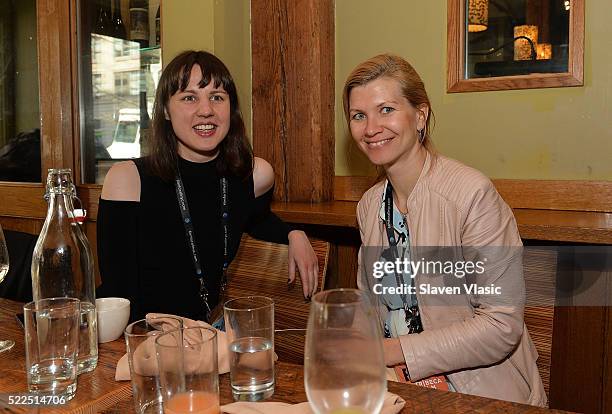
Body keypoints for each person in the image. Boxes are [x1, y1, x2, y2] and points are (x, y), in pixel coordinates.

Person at [344, 54, 546, 406]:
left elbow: (501, 325)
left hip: (477, 393)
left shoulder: (471, 194)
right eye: (358, 115)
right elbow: (369, 311)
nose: (371, 127)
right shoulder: (369, 205)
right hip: (397, 385)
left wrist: (390, 351)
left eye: (387, 110)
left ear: (420, 115)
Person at [97, 50, 318, 323]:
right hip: (147, 340)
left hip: (213, 334)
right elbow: (117, 296)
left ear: (231, 108)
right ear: (166, 109)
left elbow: (256, 218)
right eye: (189, 98)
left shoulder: (255, 174)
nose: (206, 111)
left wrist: (293, 232)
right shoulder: (127, 180)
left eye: (217, 97)